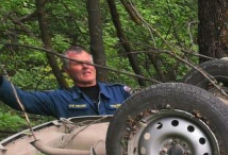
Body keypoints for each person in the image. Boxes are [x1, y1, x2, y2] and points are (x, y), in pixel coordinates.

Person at [0, 47, 132, 118]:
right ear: (67, 70)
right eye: (78, 64)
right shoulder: (58, 99)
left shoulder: (120, 92)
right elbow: (22, 100)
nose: (86, 67)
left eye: (88, 63)